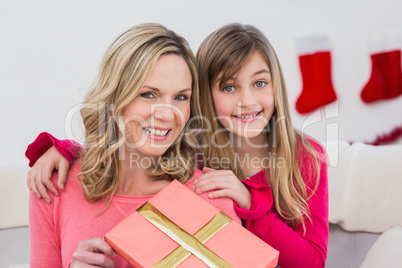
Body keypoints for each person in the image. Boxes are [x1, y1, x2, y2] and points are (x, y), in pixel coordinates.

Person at [27, 23, 328, 268]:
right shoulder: (54, 186)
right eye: (148, 94)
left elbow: (312, 261)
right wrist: (64, 148)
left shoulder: (210, 193)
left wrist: (250, 204)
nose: (167, 113)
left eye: (180, 97)